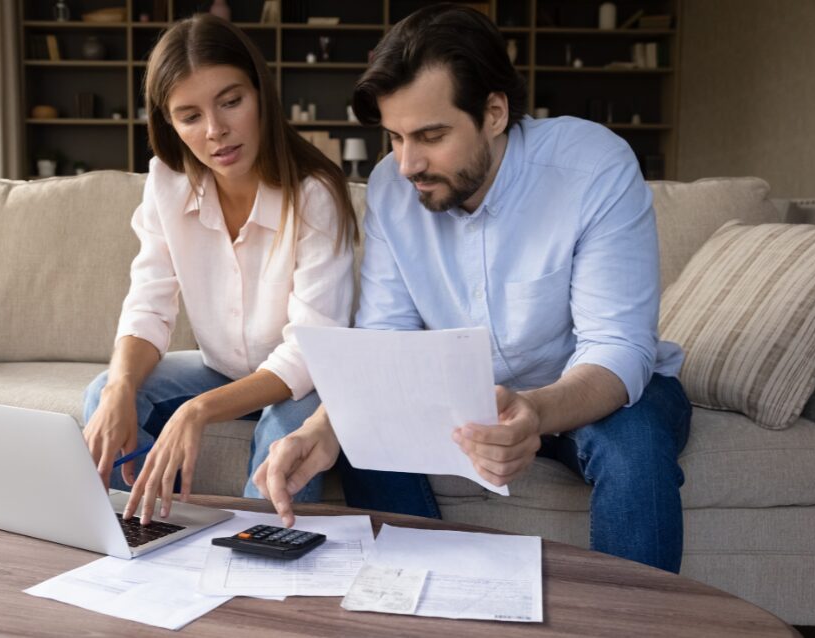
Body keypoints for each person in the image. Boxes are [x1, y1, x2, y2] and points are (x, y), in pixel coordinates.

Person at [252, 3, 692, 573]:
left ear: (494, 112)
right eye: (394, 137)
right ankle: (430, 596)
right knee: (364, 444)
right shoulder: (392, 187)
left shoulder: (593, 168)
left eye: (431, 136)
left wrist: (533, 408)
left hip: (594, 388)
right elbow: (387, 344)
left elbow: (617, 348)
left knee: (635, 453)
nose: (407, 163)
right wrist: (321, 428)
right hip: (467, 397)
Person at [82, 14, 356, 526]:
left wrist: (199, 410)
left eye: (231, 102)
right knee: (104, 392)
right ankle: (151, 525)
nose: (216, 131)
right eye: (189, 115)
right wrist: (121, 385)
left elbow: (310, 350)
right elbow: (148, 305)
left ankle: (257, 552)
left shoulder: (315, 192)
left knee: (284, 428)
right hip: (219, 368)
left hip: (301, 382)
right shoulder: (167, 182)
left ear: (261, 94)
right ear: (169, 124)